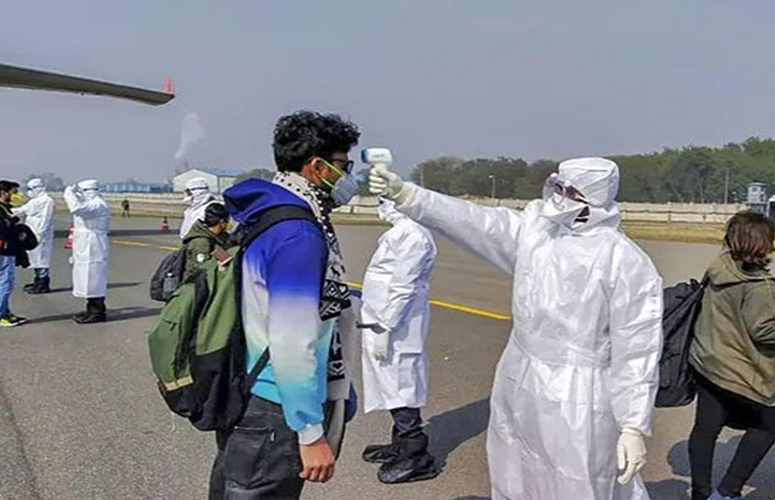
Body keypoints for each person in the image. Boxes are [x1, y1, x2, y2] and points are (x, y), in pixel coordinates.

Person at [370, 157, 663, 500]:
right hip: (519, 376)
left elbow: (638, 349)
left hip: (578, 393)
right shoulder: (537, 232)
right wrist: (408, 195)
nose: (559, 197)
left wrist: (632, 424)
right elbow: (476, 222)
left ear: (594, 197)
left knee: (576, 479)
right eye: (557, 186)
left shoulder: (624, 260)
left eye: (570, 190)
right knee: (515, 467)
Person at [210, 110, 361, 499]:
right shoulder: (299, 234)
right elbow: (292, 340)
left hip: (248, 391)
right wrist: (309, 432)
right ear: (317, 167)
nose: (348, 177)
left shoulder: (268, 216)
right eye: (343, 166)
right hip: (275, 408)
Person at [687, 211, 775, 500]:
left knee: (706, 428)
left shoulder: (718, 269)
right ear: (760, 244)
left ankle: (700, 492)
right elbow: (765, 331)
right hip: (741, 369)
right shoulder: (760, 286)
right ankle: (727, 492)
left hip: (709, 362)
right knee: (771, 424)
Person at [359, 198, 439, 484]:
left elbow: (404, 287)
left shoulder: (413, 236)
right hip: (385, 321)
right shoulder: (401, 232)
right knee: (388, 380)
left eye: (386, 201)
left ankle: (416, 454)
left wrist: (387, 326)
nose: (382, 206)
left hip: (397, 326)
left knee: (401, 382)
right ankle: (401, 444)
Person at [64, 180, 110, 324]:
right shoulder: (90, 204)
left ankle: (97, 312)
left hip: (94, 244)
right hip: (85, 243)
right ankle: (90, 308)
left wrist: (68, 194)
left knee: (94, 279)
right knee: (86, 279)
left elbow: (76, 209)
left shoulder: (97, 204)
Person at [14, 178, 55, 294]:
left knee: (42, 259)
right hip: (32, 233)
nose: (29, 191)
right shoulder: (35, 201)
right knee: (35, 259)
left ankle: (43, 283)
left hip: (41, 234)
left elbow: (46, 219)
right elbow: (23, 210)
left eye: (31, 189)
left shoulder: (47, 201)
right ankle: (37, 280)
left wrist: (40, 234)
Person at [181, 203, 234, 281]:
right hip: (198, 284)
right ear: (222, 222)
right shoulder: (201, 243)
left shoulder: (221, 237)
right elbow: (202, 269)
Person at [0, 180, 28, 327]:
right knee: (5, 283)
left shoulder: (5, 208)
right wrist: (14, 223)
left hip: (8, 250)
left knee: (6, 283)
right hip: (3, 250)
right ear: (3, 192)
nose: (16, 195)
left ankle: (5, 311)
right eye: (13, 192)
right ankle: (1, 315)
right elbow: (3, 229)